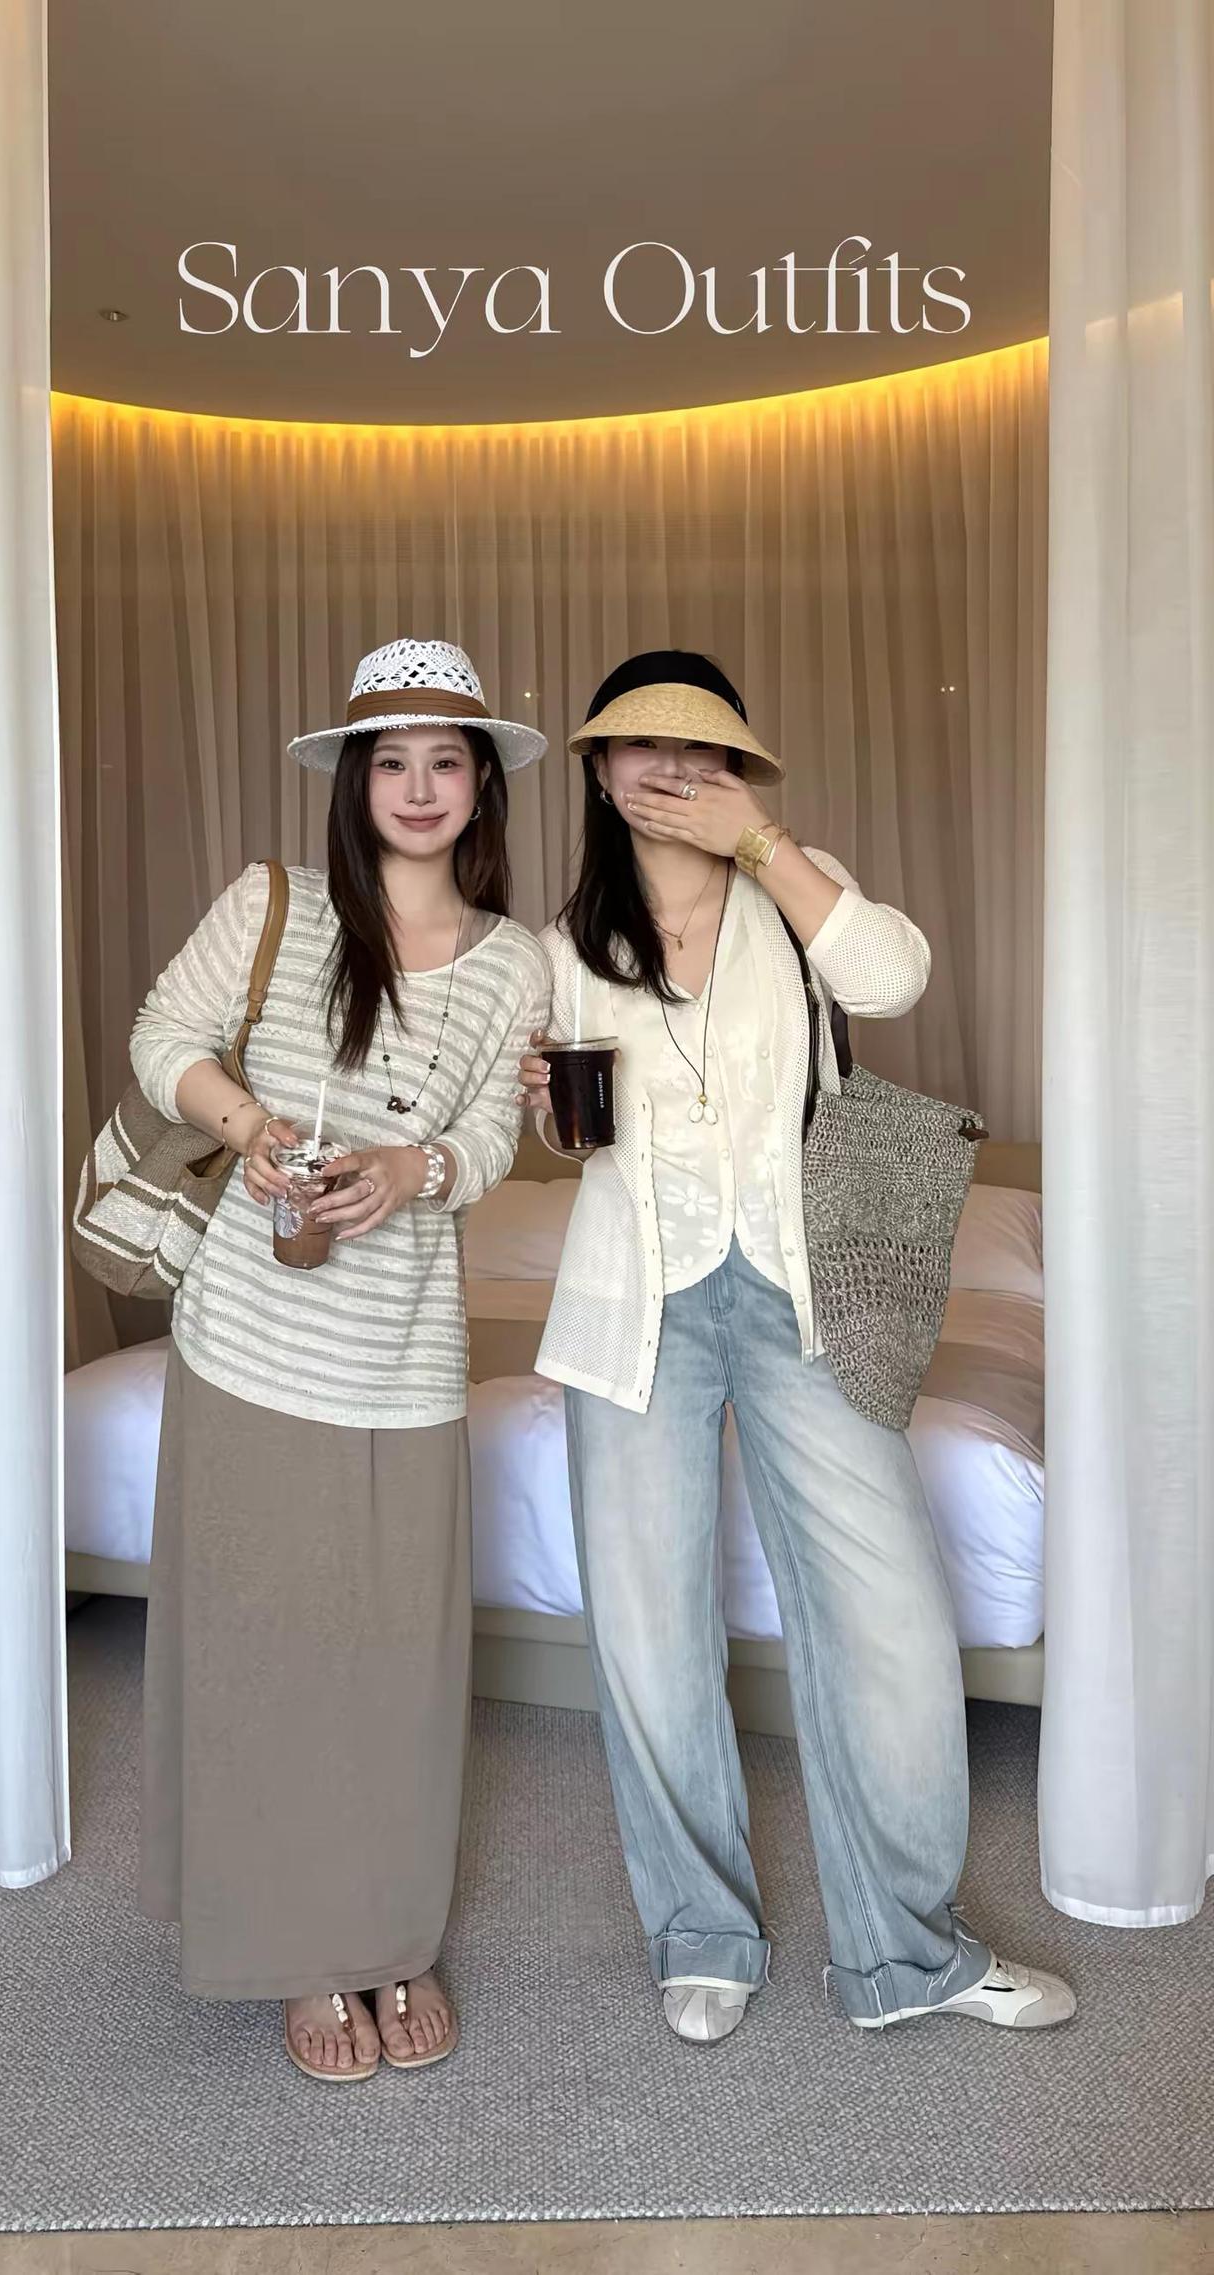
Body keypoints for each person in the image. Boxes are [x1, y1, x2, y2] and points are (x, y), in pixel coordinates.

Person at [519, 649, 1075, 2042]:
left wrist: (765, 845)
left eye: (699, 747)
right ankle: (699, 1932)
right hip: (632, 1307)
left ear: (737, 768)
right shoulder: (558, 948)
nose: (668, 767)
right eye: (639, 746)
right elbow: (562, 1130)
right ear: (599, 771)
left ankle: (907, 1954)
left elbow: (895, 975)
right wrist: (545, 1105)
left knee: (890, 1616)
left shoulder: (793, 890)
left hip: (805, 1294)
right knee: (646, 1631)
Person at [131, 637, 550, 2080]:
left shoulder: (517, 961)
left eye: (447, 761)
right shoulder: (275, 905)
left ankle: (389, 1935)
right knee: (265, 1659)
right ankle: (302, 1954)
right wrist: (253, 1133)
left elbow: (492, 1133)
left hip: (406, 1357)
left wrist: (417, 1168)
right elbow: (165, 1036)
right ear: (354, 782)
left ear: (481, 786)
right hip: (248, 1342)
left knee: (395, 1672)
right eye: (393, 762)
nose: (420, 787)